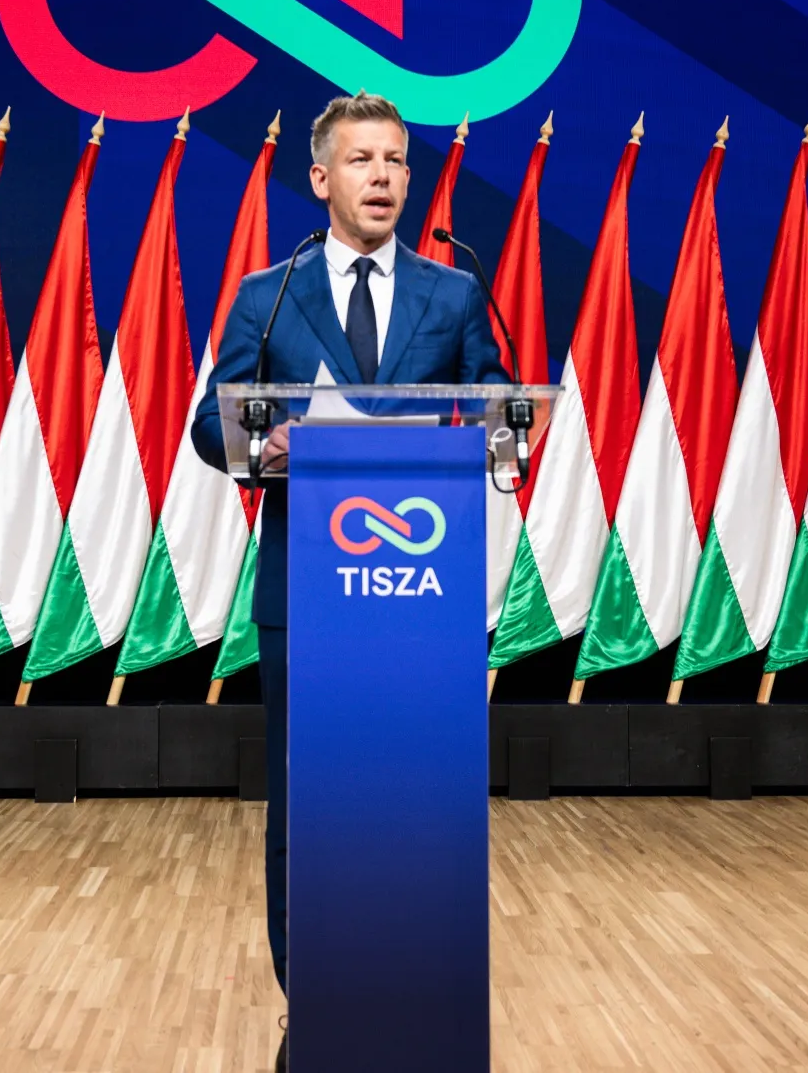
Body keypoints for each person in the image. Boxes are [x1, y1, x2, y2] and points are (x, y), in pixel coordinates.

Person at [191, 93, 507, 1070]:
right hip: (306, 601)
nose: (383, 175)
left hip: (420, 600)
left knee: (414, 808)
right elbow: (214, 424)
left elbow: (495, 411)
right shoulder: (267, 294)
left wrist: (494, 427)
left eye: (397, 160)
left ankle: (413, 1007)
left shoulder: (452, 294)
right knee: (306, 811)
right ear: (321, 178)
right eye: (362, 159)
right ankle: (314, 1008)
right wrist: (265, 439)